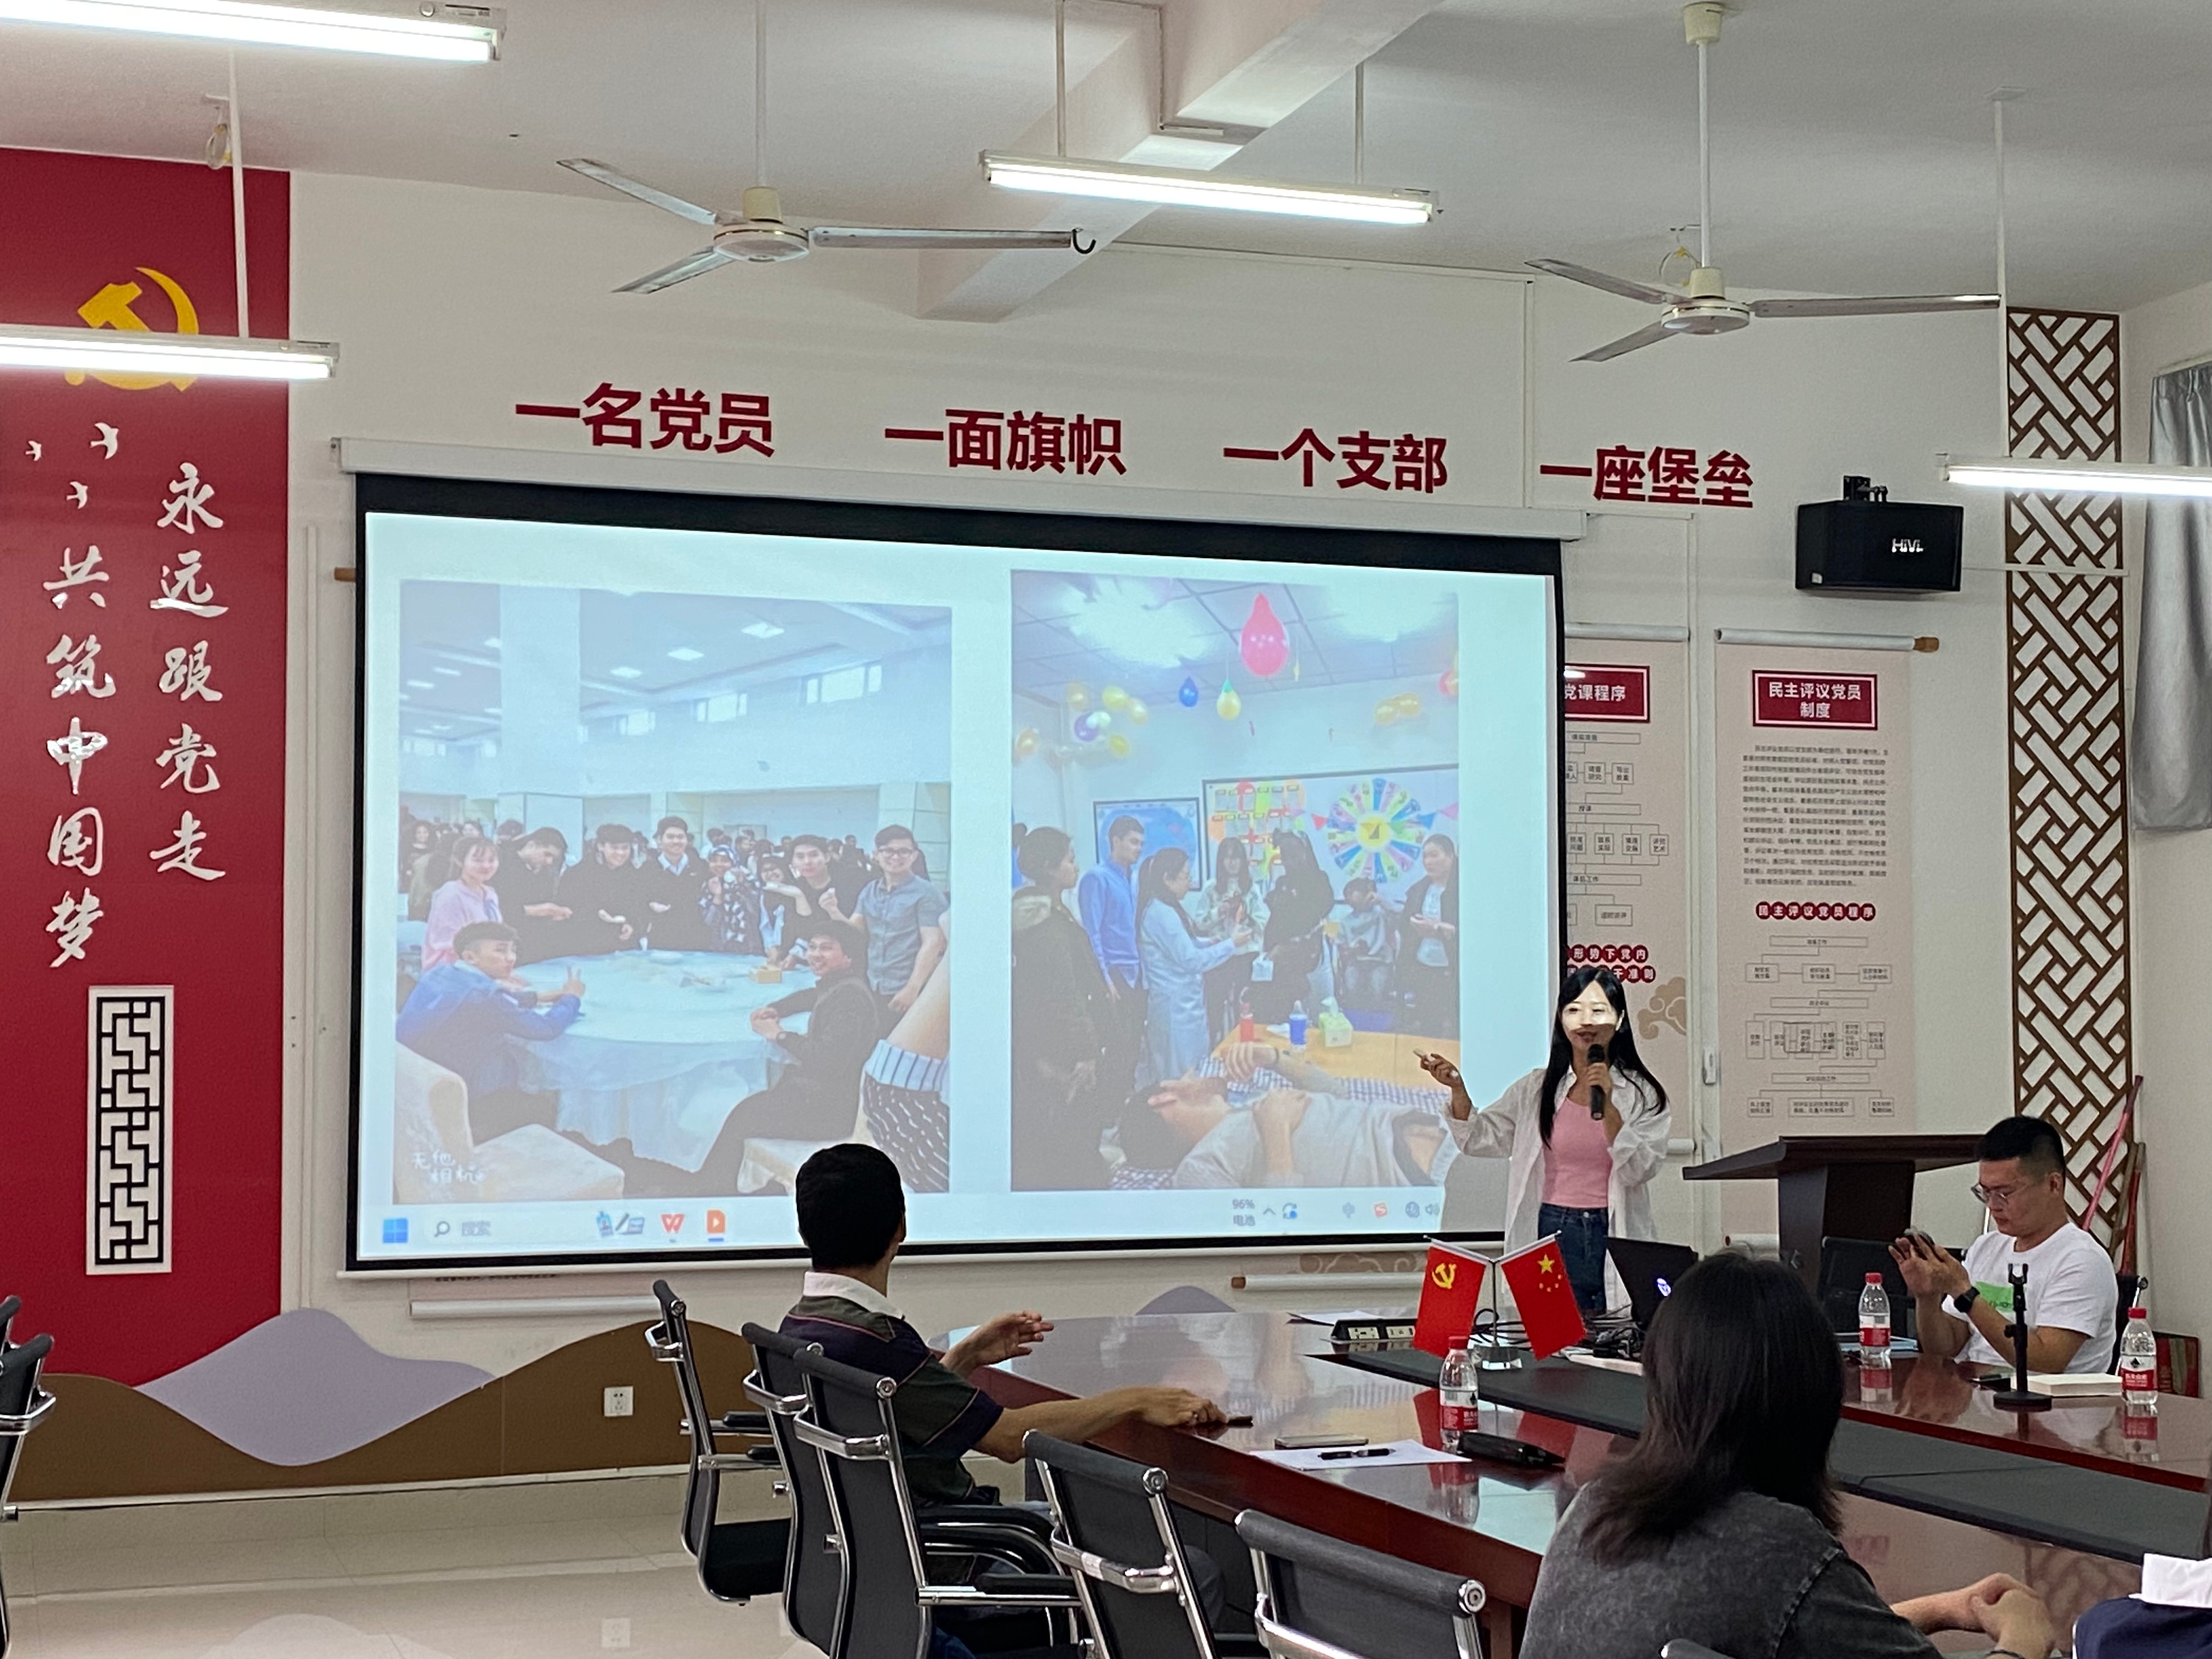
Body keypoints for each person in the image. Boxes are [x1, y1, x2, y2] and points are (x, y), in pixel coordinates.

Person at [1519, 1252, 2056, 1659]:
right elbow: (1792, 1605)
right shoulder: (1779, 1547)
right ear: (1810, 1398)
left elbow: (1795, 1626)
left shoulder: (1593, 1510)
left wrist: (1942, 1609)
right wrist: (2022, 1644)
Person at [778, 1142, 1225, 1506]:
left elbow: (899, 1413)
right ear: (901, 1227)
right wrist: (1135, 1400)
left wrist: (966, 1356)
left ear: (804, 1232)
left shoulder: (803, 1325)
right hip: (962, 1548)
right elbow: (1009, 1439)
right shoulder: (880, 1340)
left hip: (887, 1549)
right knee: (1189, 1569)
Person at [1421, 967, 1670, 1313]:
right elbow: (1480, 1137)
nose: (1586, 1021)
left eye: (1599, 1010)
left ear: (1620, 1019)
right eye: (1574, 1010)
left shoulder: (1643, 1094)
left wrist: (1609, 1105)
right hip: (1553, 1228)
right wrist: (1458, 1089)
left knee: (1617, 1328)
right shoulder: (1537, 1089)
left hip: (1614, 1230)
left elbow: (1640, 1169)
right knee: (1555, 1329)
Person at [1891, 1115, 2118, 1376]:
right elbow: (1946, 1348)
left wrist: (1964, 1293)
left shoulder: (2081, 1260)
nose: (1993, 1205)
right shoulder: (1987, 1247)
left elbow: (2047, 1360)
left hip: (2045, 1399)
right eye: (1985, 1192)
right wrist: (1928, 1297)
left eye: (2005, 1193)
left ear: (2053, 1184)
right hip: (1977, 1391)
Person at [693, 921, 882, 1190]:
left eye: (826, 948)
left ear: (848, 957)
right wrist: (776, 1008)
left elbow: (827, 1060)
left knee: (739, 1116)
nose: (815, 955)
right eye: (812, 947)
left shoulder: (851, 998)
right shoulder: (842, 986)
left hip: (828, 1110)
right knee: (742, 1105)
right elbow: (812, 996)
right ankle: (720, 1186)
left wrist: (779, 1035)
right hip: (819, 1094)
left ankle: (715, 1192)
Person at [1139, 1044, 1455, 1190]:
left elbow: (1339, 1095)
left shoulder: (1247, 1105)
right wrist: (1276, 1133)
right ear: (1164, 1098)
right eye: (1186, 1077)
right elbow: (1268, 1237)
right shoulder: (1198, 1167)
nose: (1194, 1076)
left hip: (1436, 1129)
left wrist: (1273, 1059)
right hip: (1418, 1172)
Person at [397, 921, 585, 1140]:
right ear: (470, 957)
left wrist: (536, 997)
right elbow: (546, 1028)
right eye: (500, 950)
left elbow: (485, 998)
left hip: (413, 1083)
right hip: (462, 1097)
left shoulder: (442, 972)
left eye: (513, 950)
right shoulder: (484, 998)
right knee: (546, 1105)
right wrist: (572, 998)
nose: (511, 958)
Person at [1011, 828, 1115, 1189]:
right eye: (1069, 860)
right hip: (1060, 1048)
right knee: (1069, 1131)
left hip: (1048, 1041)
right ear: (1048, 867)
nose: (1076, 867)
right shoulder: (1043, 922)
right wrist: (1086, 1051)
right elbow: (1062, 993)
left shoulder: (1050, 911)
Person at [1137, 847, 1250, 1084]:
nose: (1190, 883)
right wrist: (1231, 945)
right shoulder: (1160, 913)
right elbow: (1191, 960)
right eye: (1186, 877)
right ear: (1168, 879)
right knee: (1178, 1078)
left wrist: (1209, 942)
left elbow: (1184, 944)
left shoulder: (1170, 908)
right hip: (1174, 1009)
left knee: (1195, 1071)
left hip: (1186, 1005)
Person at [1079, 815, 1147, 1099]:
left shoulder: (1132, 879)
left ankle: (1127, 1100)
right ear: (1115, 841)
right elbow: (1092, 933)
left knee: (1133, 1043)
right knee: (1117, 1045)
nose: (1138, 848)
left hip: (1136, 971)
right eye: (1133, 842)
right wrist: (1104, 979)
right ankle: (1111, 1106)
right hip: (1115, 973)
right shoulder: (1097, 878)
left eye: (1141, 843)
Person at [853, 824, 948, 1016]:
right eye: (888, 851)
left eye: (904, 851)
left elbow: (933, 943)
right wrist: (832, 911)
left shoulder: (926, 893)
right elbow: (854, 930)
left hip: (909, 988)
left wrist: (912, 988)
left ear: (914, 856)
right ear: (876, 855)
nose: (896, 857)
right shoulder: (870, 890)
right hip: (874, 984)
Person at [1250, 831, 1333, 1024]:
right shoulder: (1282, 884)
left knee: (1321, 1013)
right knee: (1288, 1016)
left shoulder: (1319, 880)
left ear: (1306, 853)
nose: (1290, 862)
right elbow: (1275, 920)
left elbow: (1317, 910)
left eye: (1295, 856)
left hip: (1311, 955)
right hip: (1284, 961)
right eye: (1286, 857)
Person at [1192, 836, 1266, 1042]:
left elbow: (1263, 922)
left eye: (1237, 858)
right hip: (1219, 956)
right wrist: (1220, 911)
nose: (1232, 863)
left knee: (1244, 1005)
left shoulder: (1251, 888)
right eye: (1227, 858)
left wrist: (1246, 915)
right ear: (1221, 860)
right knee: (1215, 1006)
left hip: (1245, 955)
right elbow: (1199, 923)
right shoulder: (1211, 888)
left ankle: (1243, 1044)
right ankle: (1215, 1044)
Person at [1396, 833, 1459, 1036]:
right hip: (1423, 966)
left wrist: (1441, 929)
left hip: (1454, 970)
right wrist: (1414, 925)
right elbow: (1404, 925)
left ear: (1450, 857)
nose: (1428, 862)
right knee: (1428, 1025)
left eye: (1434, 855)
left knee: (1455, 1027)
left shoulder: (1464, 890)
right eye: (1425, 857)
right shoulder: (1419, 889)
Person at [421, 836, 504, 972]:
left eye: (491, 860)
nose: (486, 866)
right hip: (450, 970)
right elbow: (449, 946)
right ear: (460, 861)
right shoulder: (451, 894)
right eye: (478, 860)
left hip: (483, 966)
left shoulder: (490, 894)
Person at [491, 828, 573, 965]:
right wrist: (540, 910)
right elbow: (501, 906)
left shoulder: (543, 871)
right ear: (532, 845)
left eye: (553, 858)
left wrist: (552, 913)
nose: (549, 861)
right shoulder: (501, 864)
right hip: (504, 937)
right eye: (546, 854)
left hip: (531, 939)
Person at [559, 823, 644, 955]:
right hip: (587, 946)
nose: (620, 853)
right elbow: (568, 908)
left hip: (625, 947)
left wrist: (632, 925)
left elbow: (639, 907)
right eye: (614, 848)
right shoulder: (577, 874)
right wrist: (596, 914)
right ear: (601, 846)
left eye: (625, 848)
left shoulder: (634, 875)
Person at [637, 816, 712, 951]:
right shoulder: (647, 869)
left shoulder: (700, 867)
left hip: (697, 938)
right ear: (660, 840)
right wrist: (650, 905)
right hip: (662, 939)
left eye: (680, 837)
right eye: (670, 837)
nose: (676, 841)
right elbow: (638, 901)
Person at [1333, 876, 1396, 1015]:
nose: (1348, 897)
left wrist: (1381, 901)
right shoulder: (1345, 921)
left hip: (1380, 961)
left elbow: (1399, 913)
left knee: (1377, 987)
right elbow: (1341, 946)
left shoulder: (1381, 915)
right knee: (1351, 985)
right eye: (1346, 894)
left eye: (1352, 892)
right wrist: (1351, 950)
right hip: (1356, 962)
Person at [701, 843, 765, 955]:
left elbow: (758, 913)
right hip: (719, 947)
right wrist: (717, 897)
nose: (719, 865)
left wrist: (744, 888)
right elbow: (709, 922)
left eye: (725, 861)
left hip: (749, 946)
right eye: (714, 861)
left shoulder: (749, 881)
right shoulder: (708, 885)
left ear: (734, 862)